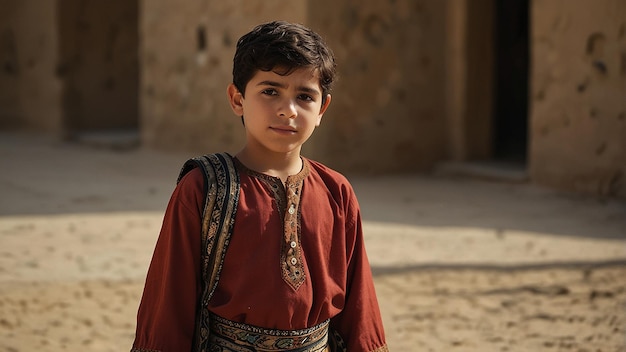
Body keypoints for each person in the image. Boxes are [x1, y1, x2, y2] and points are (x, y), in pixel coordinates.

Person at [131, 20, 388, 352]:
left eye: (305, 96)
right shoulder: (203, 190)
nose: (288, 110)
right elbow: (168, 305)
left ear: (322, 107)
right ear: (237, 99)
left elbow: (359, 309)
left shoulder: (336, 191)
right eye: (270, 91)